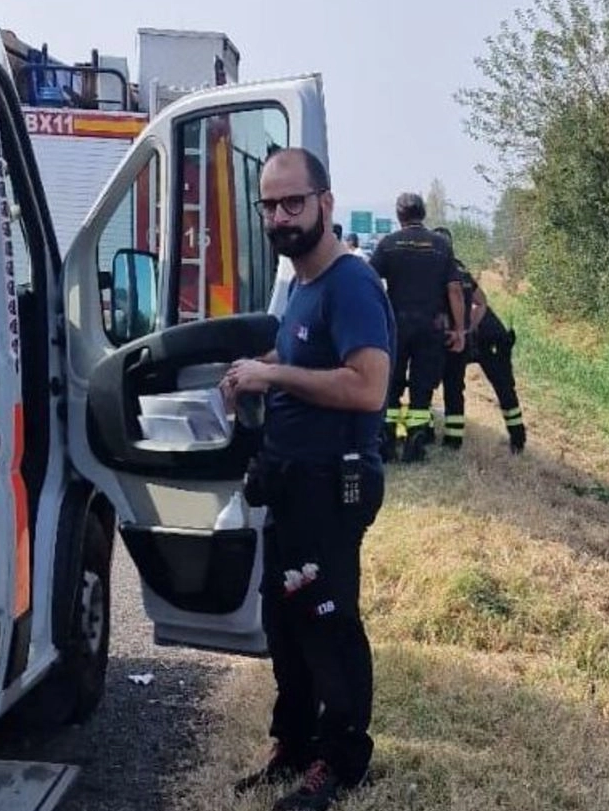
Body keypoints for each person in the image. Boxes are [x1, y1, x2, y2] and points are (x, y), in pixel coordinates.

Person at [222, 148, 395, 811]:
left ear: (326, 202)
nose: (281, 216)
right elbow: (300, 349)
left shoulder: (350, 282)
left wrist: (275, 377)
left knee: (326, 621)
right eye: (269, 205)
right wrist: (253, 364)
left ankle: (342, 759)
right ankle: (292, 741)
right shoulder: (301, 284)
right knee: (284, 620)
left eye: (294, 202)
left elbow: (367, 385)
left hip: (332, 484)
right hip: (291, 481)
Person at [366, 193, 465, 462]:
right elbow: (455, 290)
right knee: (422, 387)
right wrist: (460, 329)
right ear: (423, 214)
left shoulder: (388, 244)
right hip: (431, 326)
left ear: (399, 217)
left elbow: (368, 281)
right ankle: (415, 444)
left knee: (392, 383)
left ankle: (386, 443)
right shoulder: (441, 245)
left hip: (396, 325)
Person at [433, 226, 526, 454]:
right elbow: (480, 301)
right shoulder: (459, 268)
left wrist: (464, 329)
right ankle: (517, 439)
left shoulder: (444, 271)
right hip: (479, 335)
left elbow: (478, 302)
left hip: (490, 338)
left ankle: (516, 438)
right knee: (461, 384)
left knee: (495, 385)